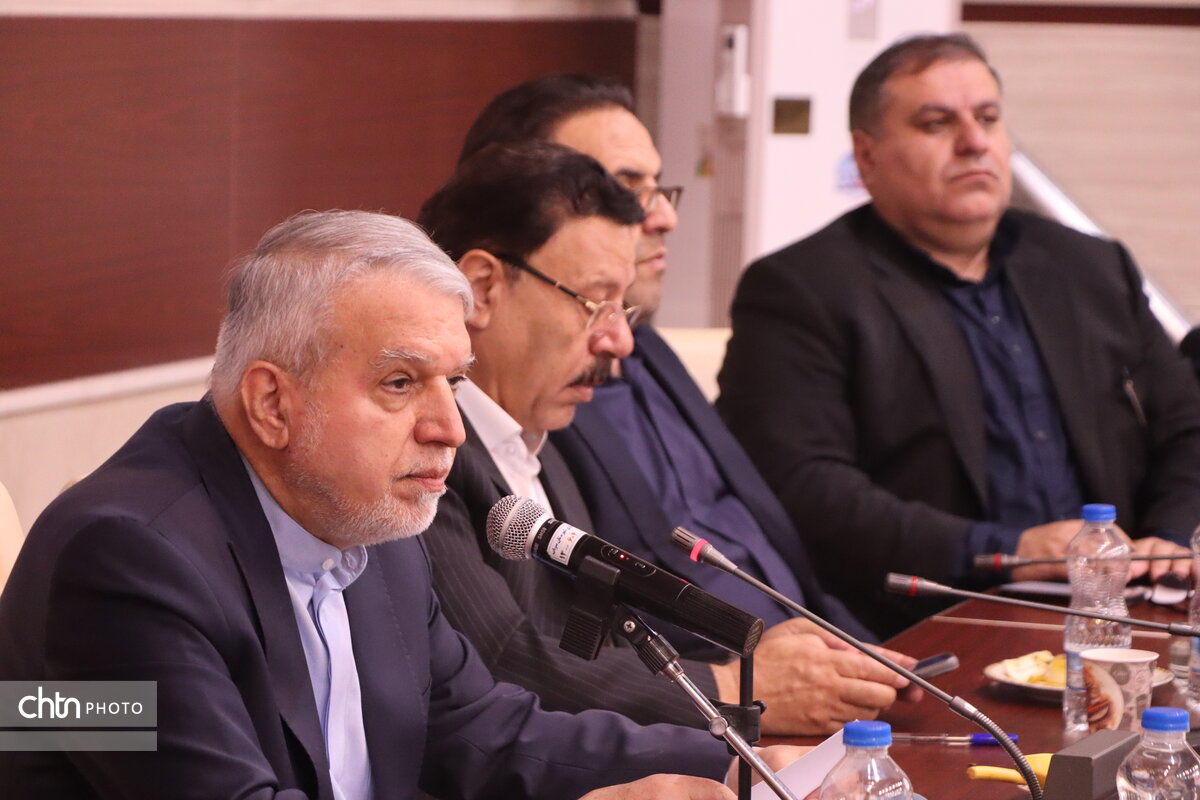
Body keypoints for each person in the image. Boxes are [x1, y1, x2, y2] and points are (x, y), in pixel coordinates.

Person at [0, 210, 757, 799]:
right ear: (272, 404)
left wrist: (740, 767)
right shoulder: (122, 564)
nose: (449, 429)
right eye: (400, 384)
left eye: (452, 383)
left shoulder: (367, 522)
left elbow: (479, 730)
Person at [457, 74, 920, 732]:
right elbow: (513, 670)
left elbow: (595, 636)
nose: (661, 216)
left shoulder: (635, 358)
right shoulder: (496, 415)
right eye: (623, 189)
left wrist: (857, 657)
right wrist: (733, 695)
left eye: (655, 188)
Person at [716, 33, 1200, 637]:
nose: (974, 142)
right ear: (866, 156)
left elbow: (1187, 426)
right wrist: (1007, 550)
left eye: (988, 118)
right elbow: (802, 485)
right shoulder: (801, 288)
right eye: (937, 123)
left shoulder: (1092, 267)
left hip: (1120, 612)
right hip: (918, 626)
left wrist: (1169, 542)